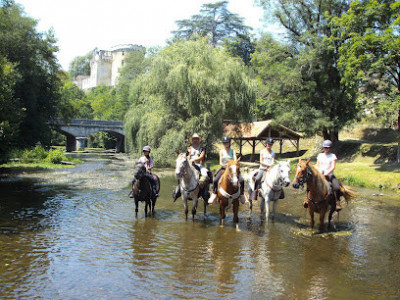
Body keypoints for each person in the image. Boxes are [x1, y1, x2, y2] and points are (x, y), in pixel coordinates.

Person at [172, 134, 211, 201]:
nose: (195, 140)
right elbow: (185, 156)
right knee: (181, 174)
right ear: (192, 140)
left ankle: (204, 192)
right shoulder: (189, 149)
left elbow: (201, 157)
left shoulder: (202, 149)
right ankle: (179, 189)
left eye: (196, 139)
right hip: (190, 165)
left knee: (206, 174)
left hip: (199, 165)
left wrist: (194, 160)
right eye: (194, 139)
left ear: (198, 140)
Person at [208, 136, 246, 204]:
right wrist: (225, 166)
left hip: (232, 168)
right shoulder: (221, 151)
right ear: (223, 144)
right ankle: (214, 193)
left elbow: (235, 160)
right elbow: (220, 162)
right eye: (225, 143)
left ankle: (242, 194)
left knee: (242, 180)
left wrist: (231, 165)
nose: (226, 144)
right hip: (224, 167)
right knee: (216, 179)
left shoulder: (233, 151)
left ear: (229, 143)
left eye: (227, 142)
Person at [314, 139, 342, 211]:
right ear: (323, 148)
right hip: (320, 175)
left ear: (330, 148)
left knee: (337, 188)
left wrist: (327, 173)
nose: (326, 149)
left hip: (329, 175)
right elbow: (317, 165)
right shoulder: (320, 155)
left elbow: (333, 167)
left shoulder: (332, 156)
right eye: (325, 147)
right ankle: (307, 200)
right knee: (310, 184)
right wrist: (317, 171)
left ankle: (337, 202)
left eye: (328, 147)